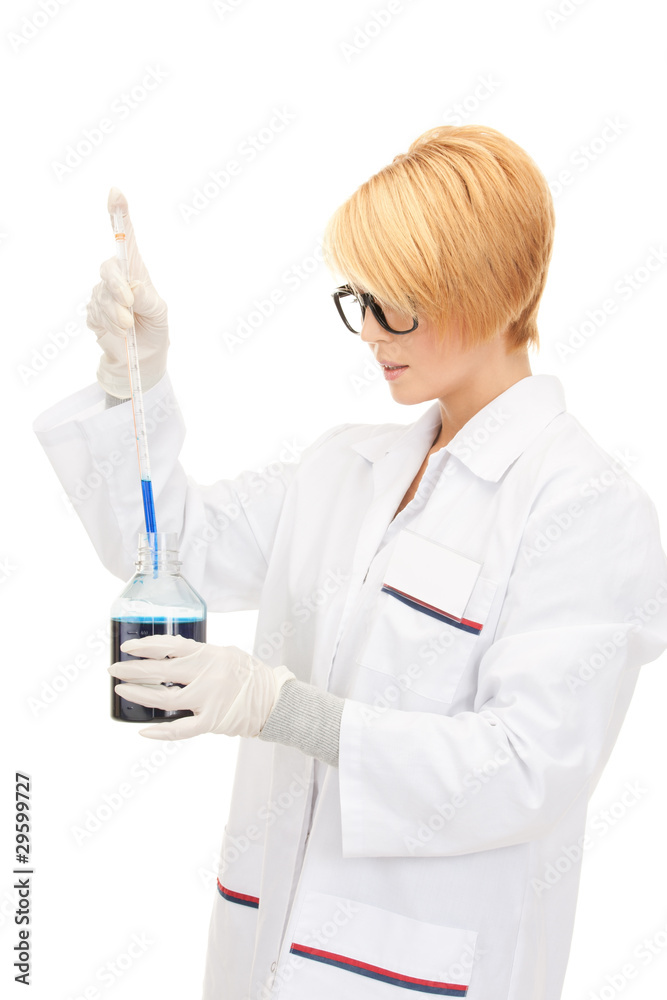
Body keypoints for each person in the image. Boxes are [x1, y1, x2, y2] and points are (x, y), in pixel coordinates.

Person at [33, 124, 667, 1000]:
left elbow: (528, 769)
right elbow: (165, 547)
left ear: (484, 288)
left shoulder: (584, 508)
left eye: (393, 303)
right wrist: (128, 383)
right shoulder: (345, 468)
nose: (368, 331)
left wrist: (282, 710)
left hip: (424, 975)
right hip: (260, 954)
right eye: (357, 300)